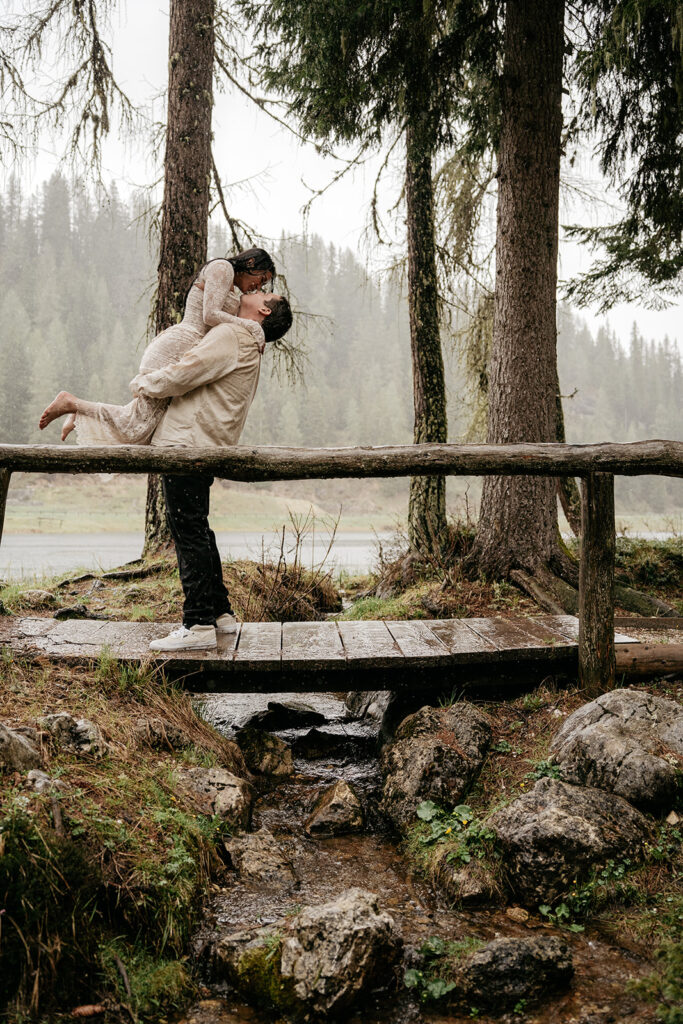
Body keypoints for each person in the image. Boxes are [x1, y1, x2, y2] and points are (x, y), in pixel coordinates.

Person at [134, 289, 293, 652]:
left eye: (263, 291)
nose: (252, 290)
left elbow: (187, 371)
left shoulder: (234, 334)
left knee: (188, 531)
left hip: (186, 444)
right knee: (198, 528)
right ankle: (221, 614)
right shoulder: (251, 342)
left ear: (264, 309)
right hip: (208, 443)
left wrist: (144, 383)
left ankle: (198, 623)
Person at [38, 248, 276, 444]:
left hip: (189, 349)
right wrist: (252, 327)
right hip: (179, 345)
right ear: (251, 262)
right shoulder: (222, 268)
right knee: (137, 427)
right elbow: (210, 315)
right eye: (261, 278)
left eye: (263, 285)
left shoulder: (232, 285)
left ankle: (79, 413)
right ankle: (72, 403)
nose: (257, 287)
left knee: (141, 428)